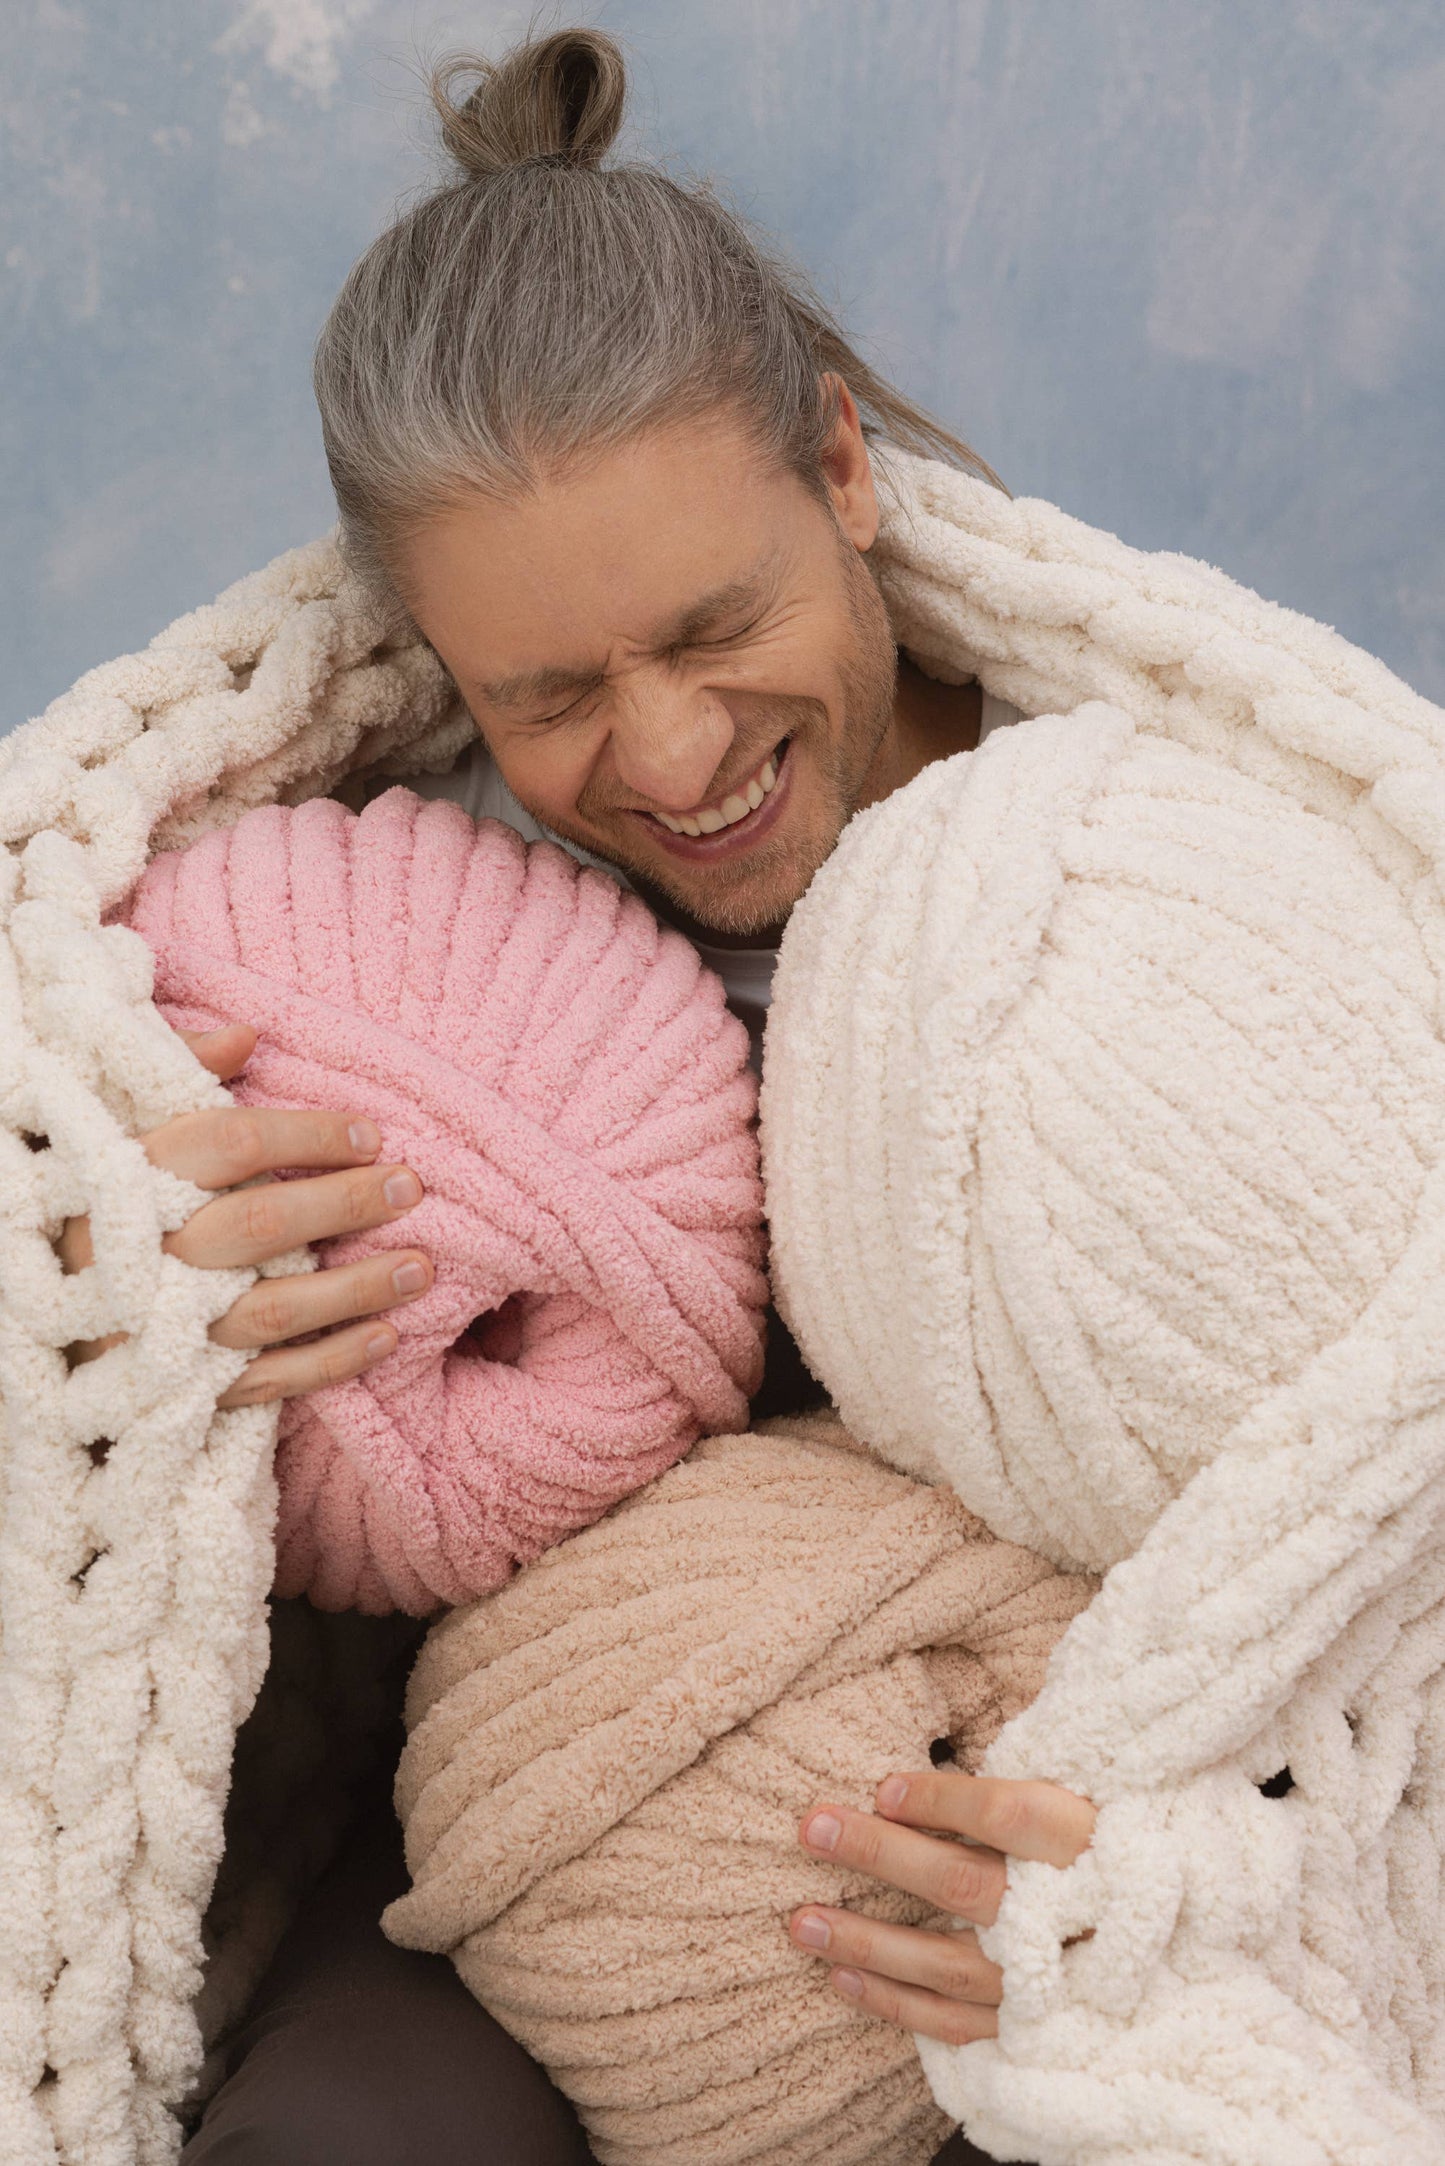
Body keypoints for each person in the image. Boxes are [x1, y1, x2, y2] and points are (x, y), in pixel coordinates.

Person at [99, 26, 1092, 2163]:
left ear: (838, 464)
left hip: (1044, 1751)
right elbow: (62, 1180)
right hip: (513, 1798)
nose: (659, 760)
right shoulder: (352, 899)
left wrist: (1180, 1847)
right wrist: (96, 1273)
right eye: (542, 694)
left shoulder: (1135, 857)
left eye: (711, 625)